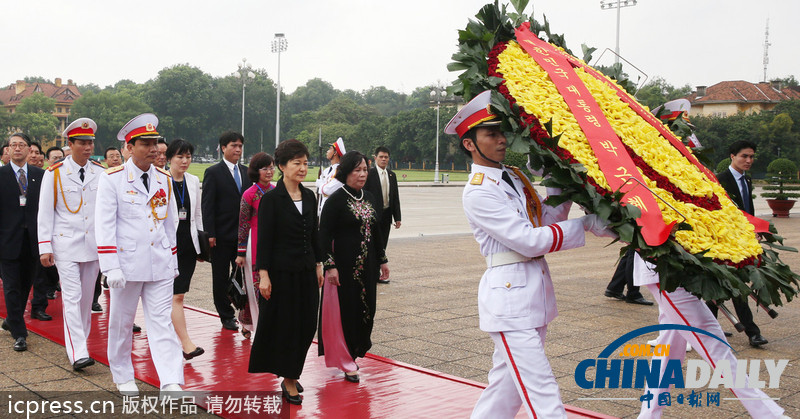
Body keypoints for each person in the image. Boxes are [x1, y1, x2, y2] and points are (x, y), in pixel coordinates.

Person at [447, 91, 616, 419]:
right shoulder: (479, 191)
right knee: (543, 392)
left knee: (504, 391)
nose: (501, 139)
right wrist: (588, 224)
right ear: (470, 144)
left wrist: (561, 185)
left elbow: (545, 223)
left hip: (530, 295)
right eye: (490, 134)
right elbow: (529, 241)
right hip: (510, 302)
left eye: (501, 132)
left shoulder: (511, 177)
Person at [633, 252, 786, 418]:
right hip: (665, 268)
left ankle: (648, 415)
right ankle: (770, 415)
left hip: (682, 266)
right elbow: (603, 226)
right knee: (716, 347)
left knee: (668, 352)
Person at [95, 113, 183, 396]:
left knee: (162, 322)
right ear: (130, 147)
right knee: (121, 322)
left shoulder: (164, 179)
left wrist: (173, 259)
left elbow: (170, 224)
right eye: (146, 143)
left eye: (156, 142)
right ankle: (122, 375)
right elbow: (105, 225)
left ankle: (170, 380)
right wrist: (111, 267)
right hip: (127, 265)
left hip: (160, 264)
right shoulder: (113, 179)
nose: (154, 148)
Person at [249, 139, 324, 406]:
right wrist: (264, 275)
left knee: (306, 325)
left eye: (306, 163)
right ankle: (289, 378)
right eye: (297, 163)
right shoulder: (271, 200)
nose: (303, 168)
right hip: (281, 274)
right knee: (287, 326)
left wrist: (319, 264)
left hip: (305, 271)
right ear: (282, 166)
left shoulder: (310, 195)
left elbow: (314, 234)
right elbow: (265, 240)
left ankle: (292, 369)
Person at [37, 118, 104, 370]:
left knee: (86, 300)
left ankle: (80, 343)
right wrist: (45, 246)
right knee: (73, 297)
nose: (87, 148)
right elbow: (45, 212)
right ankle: (78, 352)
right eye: (83, 143)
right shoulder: (54, 173)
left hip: (93, 245)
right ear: (70, 143)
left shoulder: (101, 172)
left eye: (90, 143)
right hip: (65, 244)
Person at [318, 151, 389, 383]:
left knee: (367, 309)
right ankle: (346, 359)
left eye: (364, 170)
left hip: (367, 266)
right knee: (347, 311)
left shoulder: (368, 197)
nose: (362, 174)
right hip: (344, 268)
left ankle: (355, 351)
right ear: (346, 172)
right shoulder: (336, 200)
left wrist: (382, 259)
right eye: (357, 170)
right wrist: (330, 265)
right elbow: (323, 234)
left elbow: (377, 230)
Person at [707, 140, 768, 347]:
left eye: (751, 157)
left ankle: (712, 329)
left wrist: (754, 231)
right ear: (732, 156)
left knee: (731, 285)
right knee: (729, 286)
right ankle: (750, 332)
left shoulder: (747, 181)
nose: (748, 160)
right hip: (723, 243)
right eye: (744, 156)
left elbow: (747, 210)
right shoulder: (720, 180)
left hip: (742, 242)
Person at [0, 132, 50, 352]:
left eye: (22, 145)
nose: (17, 148)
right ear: (8, 150)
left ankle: (12, 319)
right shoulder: (1, 176)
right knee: (11, 287)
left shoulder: (41, 175)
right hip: (7, 241)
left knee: (24, 286)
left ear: (30, 149)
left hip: (33, 241)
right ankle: (20, 333)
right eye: (13, 145)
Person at [202, 131, 252, 331]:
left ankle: (245, 313)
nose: (238, 149)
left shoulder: (248, 172)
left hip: (243, 237)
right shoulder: (213, 172)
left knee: (242, 276)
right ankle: (226, 315)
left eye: (240, 146)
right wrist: (210, 234)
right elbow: (208, 206)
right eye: (234, 145)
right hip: (221, 237)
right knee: (221, 277)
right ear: (223, 148)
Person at [166, 138, 205, 360]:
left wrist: (200, 247)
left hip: (188, 245)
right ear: (169, 158)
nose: (184, 161)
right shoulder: (160, 179)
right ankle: (186, 343)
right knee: (173, 296)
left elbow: (197, 214)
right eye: (180, 156)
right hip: (166, 246)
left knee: (178, 295)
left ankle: (179, 341)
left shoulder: (192, 180)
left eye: (188, 156)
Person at [235, 152, 276, 339]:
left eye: (271, 167)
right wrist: (241, 252)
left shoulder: (276, 191)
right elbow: (243, 224)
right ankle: (254, 324)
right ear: (256, 171)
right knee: (254, 287)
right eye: (265, 168)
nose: (269, 171)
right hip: (254, 244)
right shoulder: (249, 194)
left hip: (275, 245)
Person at [363, 146, 401, 284]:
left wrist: (397, 217)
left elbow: (395, 197)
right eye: (381, 157)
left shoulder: (392, 175)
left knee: (383, 244)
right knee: (373, 244)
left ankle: (379, 272)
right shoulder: (369, 174)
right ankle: (372, 272)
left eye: (386, 157)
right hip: (373, 215)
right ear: (375, 158)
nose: (384, 159)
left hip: (386, 215)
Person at [315, 137, 346, 216]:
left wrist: (320, 184)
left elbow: (327, 190)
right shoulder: (327, 170)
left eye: (330, 149)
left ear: (335, 153)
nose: (327, 151)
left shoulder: (340, 171)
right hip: (323, 208)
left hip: (334, 211)